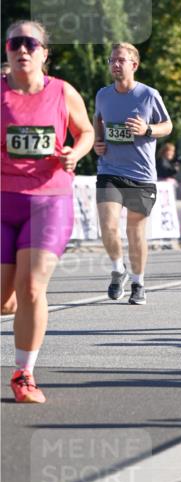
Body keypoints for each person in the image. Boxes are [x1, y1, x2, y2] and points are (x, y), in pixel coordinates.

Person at [2, 20, 94, 403]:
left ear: (44, 52)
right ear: (7, 50)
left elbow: (86, 131)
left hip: (48, 200)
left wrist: (75, 152)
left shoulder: (62, 91)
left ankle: (25, 374)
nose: (23, 49)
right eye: (15, 43)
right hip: (3, 199)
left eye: (31, 43)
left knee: (32, 287)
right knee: (5, 297)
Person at [94, 41, 172, 305]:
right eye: (111, 60)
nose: (115, 64)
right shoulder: (103, 94)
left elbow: (168, 126)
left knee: (135, 232)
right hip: (109, 170)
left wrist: (147, 130)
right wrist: (97, 141)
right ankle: (118, 269)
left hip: (141, 174)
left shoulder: (149, 95)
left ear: (134, 65)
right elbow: (98, 119)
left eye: (120, 60)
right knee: (108, 225)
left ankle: (138, 283)